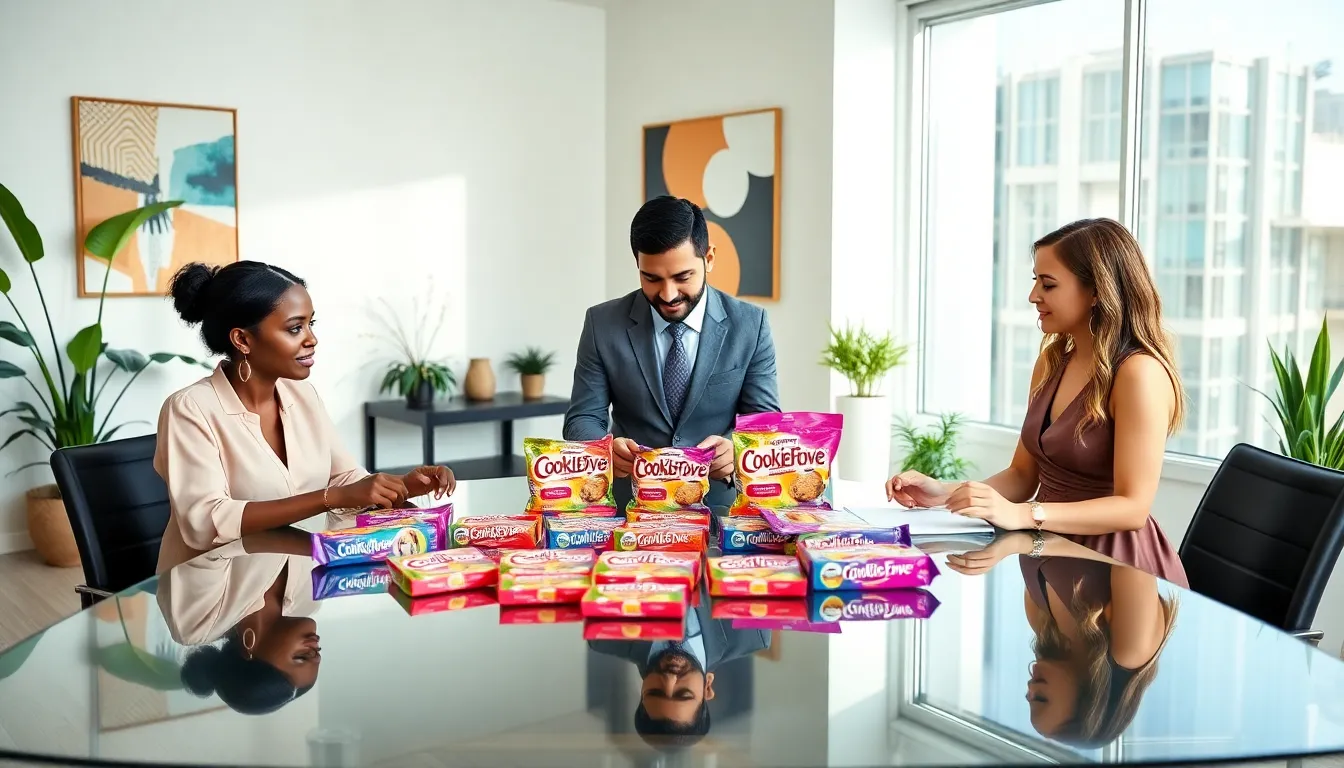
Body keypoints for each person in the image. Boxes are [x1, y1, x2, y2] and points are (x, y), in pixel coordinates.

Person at [887, 218, 1189, 586]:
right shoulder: (1052, 362)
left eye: (1048, 284)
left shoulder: (1138, 373)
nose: (1033, 296)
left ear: (1096, 292)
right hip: (1049, 551)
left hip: (1119, 567)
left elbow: (1132, 508)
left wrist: (1025, 515)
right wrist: (943, 493)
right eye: (1035, 281)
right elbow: (1022, 476)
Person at [156, 261, 455, 569]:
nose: (311, 339)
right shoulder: (190, 409)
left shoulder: (303, 396)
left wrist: (399, 485)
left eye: (312, 324)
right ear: (243, 340)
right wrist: (330, 497)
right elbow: (205, 521)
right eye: (295, 328)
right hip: (213, 591)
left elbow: (344, 478)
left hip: (296, 581)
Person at [564, 196, 780, 509]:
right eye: (651, 278)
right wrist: (602, 450)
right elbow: (582, 417)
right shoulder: (602, 324)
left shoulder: (751, 324)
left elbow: (764, 422)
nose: (668, 294)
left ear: (709, 258)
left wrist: (736, 450)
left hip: (721, 508)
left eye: (683, 277)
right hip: (631, 508)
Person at [944, 533, 1178, 746]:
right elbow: (1132, 538)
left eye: (1029, 698)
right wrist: (1029, 543)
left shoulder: (1041, 621)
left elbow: (1034, 526)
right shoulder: (1131, 649)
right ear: (1088, 704)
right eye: (1041, 699)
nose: (1030, 688)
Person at [157, 527, 322, 716]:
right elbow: (339, 520)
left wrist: (319, 546)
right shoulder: (308, 600)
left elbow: (213, 534)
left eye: (302, 656)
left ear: (249, 652)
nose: (314, 646)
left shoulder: (196, 623)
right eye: (317, 653)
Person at [588, 579, 770, 749]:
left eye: (656, 691)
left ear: (643, 690)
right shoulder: (754, 632)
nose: (670, 679)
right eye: (683, 694)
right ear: (706, 688)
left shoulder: (603, 635)